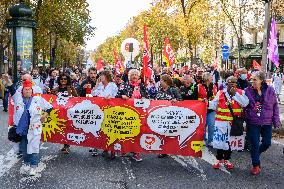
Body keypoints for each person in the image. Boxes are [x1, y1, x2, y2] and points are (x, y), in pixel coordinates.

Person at [3, 74, 52, 176]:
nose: (27, 91)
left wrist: (44, 116)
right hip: (22, 129)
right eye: (25, 89)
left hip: (35, 128)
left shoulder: (38, 100)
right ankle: (26, 163)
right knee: (24, 148)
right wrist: (7, 79)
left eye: (29, 90)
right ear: (22, 90)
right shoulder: (17, 98)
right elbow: (11, 88)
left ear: (32, 91)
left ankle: (33, 167)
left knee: (34, 148)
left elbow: (50, 107)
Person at [244, 71, 281, 175]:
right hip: (253, 122)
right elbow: (243, 107)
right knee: (254, 144)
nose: (252, 82)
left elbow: (275, 107)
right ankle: (256, 165)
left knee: (266, 143)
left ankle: (256, 154)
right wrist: (250, 113)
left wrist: (276, 120)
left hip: (267, 121)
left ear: (261, 80)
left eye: (255, 79)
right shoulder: (247, 91)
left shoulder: (270, 90)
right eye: (251, 79)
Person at [210, 76, 249, 170]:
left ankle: (227, 160)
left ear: (236, 84)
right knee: (220, 142)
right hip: (221, 123)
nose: (231, 85)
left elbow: (245, 103)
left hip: (233, 123)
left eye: (233, 83)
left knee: (229, 142)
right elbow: (213, 105)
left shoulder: (241, 92)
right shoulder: (220, 93)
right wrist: (206, 103)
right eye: (229, 83)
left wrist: (235, 95)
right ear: (226, 84)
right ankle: (219, 159)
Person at [116, 69, 148, 161]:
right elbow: (117, 95)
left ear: (138, 76)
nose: (134, 76)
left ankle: (136, 152)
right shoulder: (124, 85)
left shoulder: (142, 85)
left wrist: (144, 97)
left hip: (139, 112)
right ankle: (125, 149)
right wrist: (122, 96)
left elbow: (147, 96)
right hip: (127, 112)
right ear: (129, 76)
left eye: (136, 75)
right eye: (132, 75)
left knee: (137, 132)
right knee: (126, 130)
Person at [92, 70, 118, 159]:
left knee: (110, 129)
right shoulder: (99, 85)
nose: (100, 77)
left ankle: (113, 150)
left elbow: (115, 96)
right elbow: (93, 94)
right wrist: (96, 84)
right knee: (101, 129)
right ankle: (104, 148)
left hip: (110, 110)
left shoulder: (112, 85)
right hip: (100, 110)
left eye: (101, 75)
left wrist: (110, 97)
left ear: (106, 76)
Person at [155, 74, 183, 158]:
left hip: (171, 115)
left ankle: (170, 149)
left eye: (162, 80)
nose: (160, 82)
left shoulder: (173, 90)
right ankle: (164, 150)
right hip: (161, 115)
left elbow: (181, 99)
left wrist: (176, 100)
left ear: (166, 82)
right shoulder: (160, 89)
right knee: (161, 132)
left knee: (169, 133)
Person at [52, 73, 78, 154]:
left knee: (68, 127)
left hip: (69, 111)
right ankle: (64, 144)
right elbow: (51, 97)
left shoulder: (70, 88)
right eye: (61, 79)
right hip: (59, 112)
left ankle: (66, 145)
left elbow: (76, 97)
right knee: (61, 128)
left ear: (68, 80)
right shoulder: (56, 88)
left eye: (65, 79)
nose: (63, 80)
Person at [198, 72, 218, 146]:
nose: (212, 78)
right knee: (203, 125)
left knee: (211, 125)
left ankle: (211, 140)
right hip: (202, 109)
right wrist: (202, 100)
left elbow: (216, 97)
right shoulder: (199, 86)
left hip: (211, 109)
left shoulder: (214, 86)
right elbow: (196, 97)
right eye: (211, 77)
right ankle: (202, 139)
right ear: (206, 78)